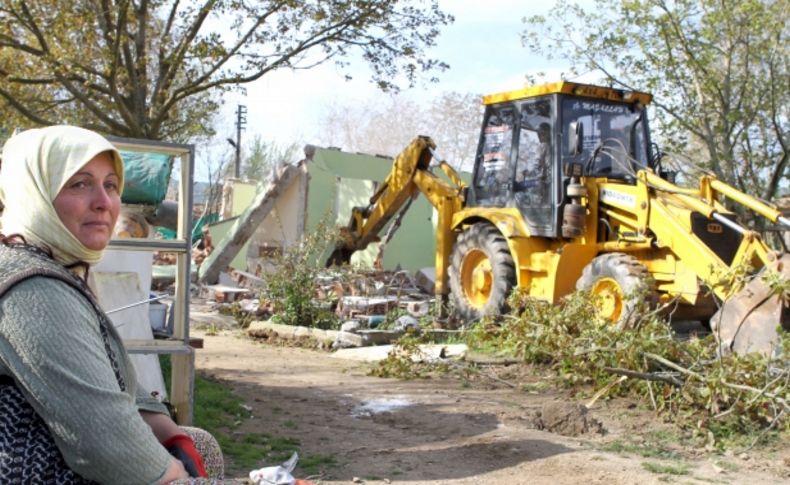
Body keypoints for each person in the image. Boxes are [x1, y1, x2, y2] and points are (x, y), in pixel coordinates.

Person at [0, 126, 212, 483]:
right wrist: (177, 474)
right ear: (35, 192)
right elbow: (104, 440)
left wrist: (171, 434)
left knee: (199, 443)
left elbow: (104, 370)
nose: (104, 202)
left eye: (111, 185)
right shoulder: (32, 288)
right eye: (79, 184)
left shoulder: (55, 264)